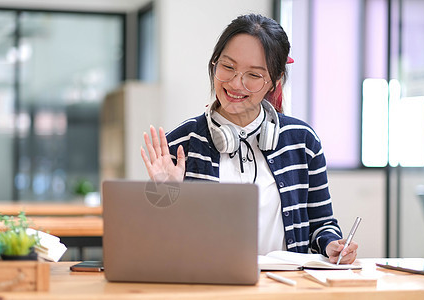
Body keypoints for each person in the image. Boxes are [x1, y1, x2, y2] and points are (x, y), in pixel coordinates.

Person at [140, 13, 358, 264]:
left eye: (253, 75)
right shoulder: (182, 143)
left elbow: (321, 223)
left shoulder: (302, 141)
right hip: (209, 284)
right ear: (214, 64)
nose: (235, 83)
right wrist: (166, 195)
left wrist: (332, 245)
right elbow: (157, 243)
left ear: (274, 83)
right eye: (228, 67)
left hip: (286, 288)